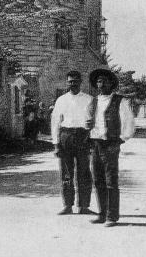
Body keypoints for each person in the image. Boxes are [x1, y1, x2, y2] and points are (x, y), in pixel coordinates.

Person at [88, 68, 135, 227]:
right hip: (96, 144)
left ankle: (112, 216)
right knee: (98, 179)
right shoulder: (94, 101)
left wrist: (120, 140)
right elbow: (89, 121)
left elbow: (128, 123)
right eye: (99, 81)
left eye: (105, 81)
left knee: (111, 181)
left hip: (111, 144)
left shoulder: (120, 101)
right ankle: (102, 213)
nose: (101, 84)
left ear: (111, 83)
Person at [50, 70, 95, 215]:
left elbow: (94, 122)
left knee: (84, 173)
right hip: (66, 136)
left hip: (83, 137)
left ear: (80, 82)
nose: (73, 84)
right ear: (67, 83)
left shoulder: (89, 99)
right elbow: (55, 122)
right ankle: (68, 205)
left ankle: (84, 206)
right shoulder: (61, 100)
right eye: (70, 81)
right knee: (67, 173)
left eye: (75, 81)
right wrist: (56, 144)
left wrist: (92, 139)